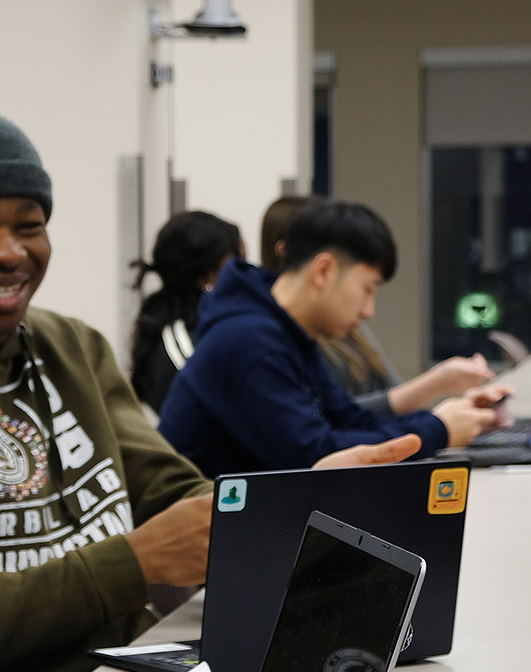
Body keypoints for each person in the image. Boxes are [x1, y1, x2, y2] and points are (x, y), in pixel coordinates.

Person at [0, 103, 417, 672]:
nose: (8, 252)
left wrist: (294, 501)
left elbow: (172, 491)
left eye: (29, 226)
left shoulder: (72, 346)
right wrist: (133, 565)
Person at [160, 199, 505, 478]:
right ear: (323, 270)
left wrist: (446, 418)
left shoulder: (282, 328)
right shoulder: (248, 340)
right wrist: (438, 429)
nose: (369, 309)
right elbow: (318, 457)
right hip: (205, 541)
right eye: (367, 289)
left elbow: (348, 420)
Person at [259, 196, 494, 416]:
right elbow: (332, 428)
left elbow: (353, 417)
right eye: (367, 288)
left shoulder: (339, 322)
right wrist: (437, 406)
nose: (367, 311)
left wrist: (442, 421)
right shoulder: (270, 339)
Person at [129, 210, 244, 416]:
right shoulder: (181, 342)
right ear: (206, 276)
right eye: (237, 263)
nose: (245, 272)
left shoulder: (211, 326)